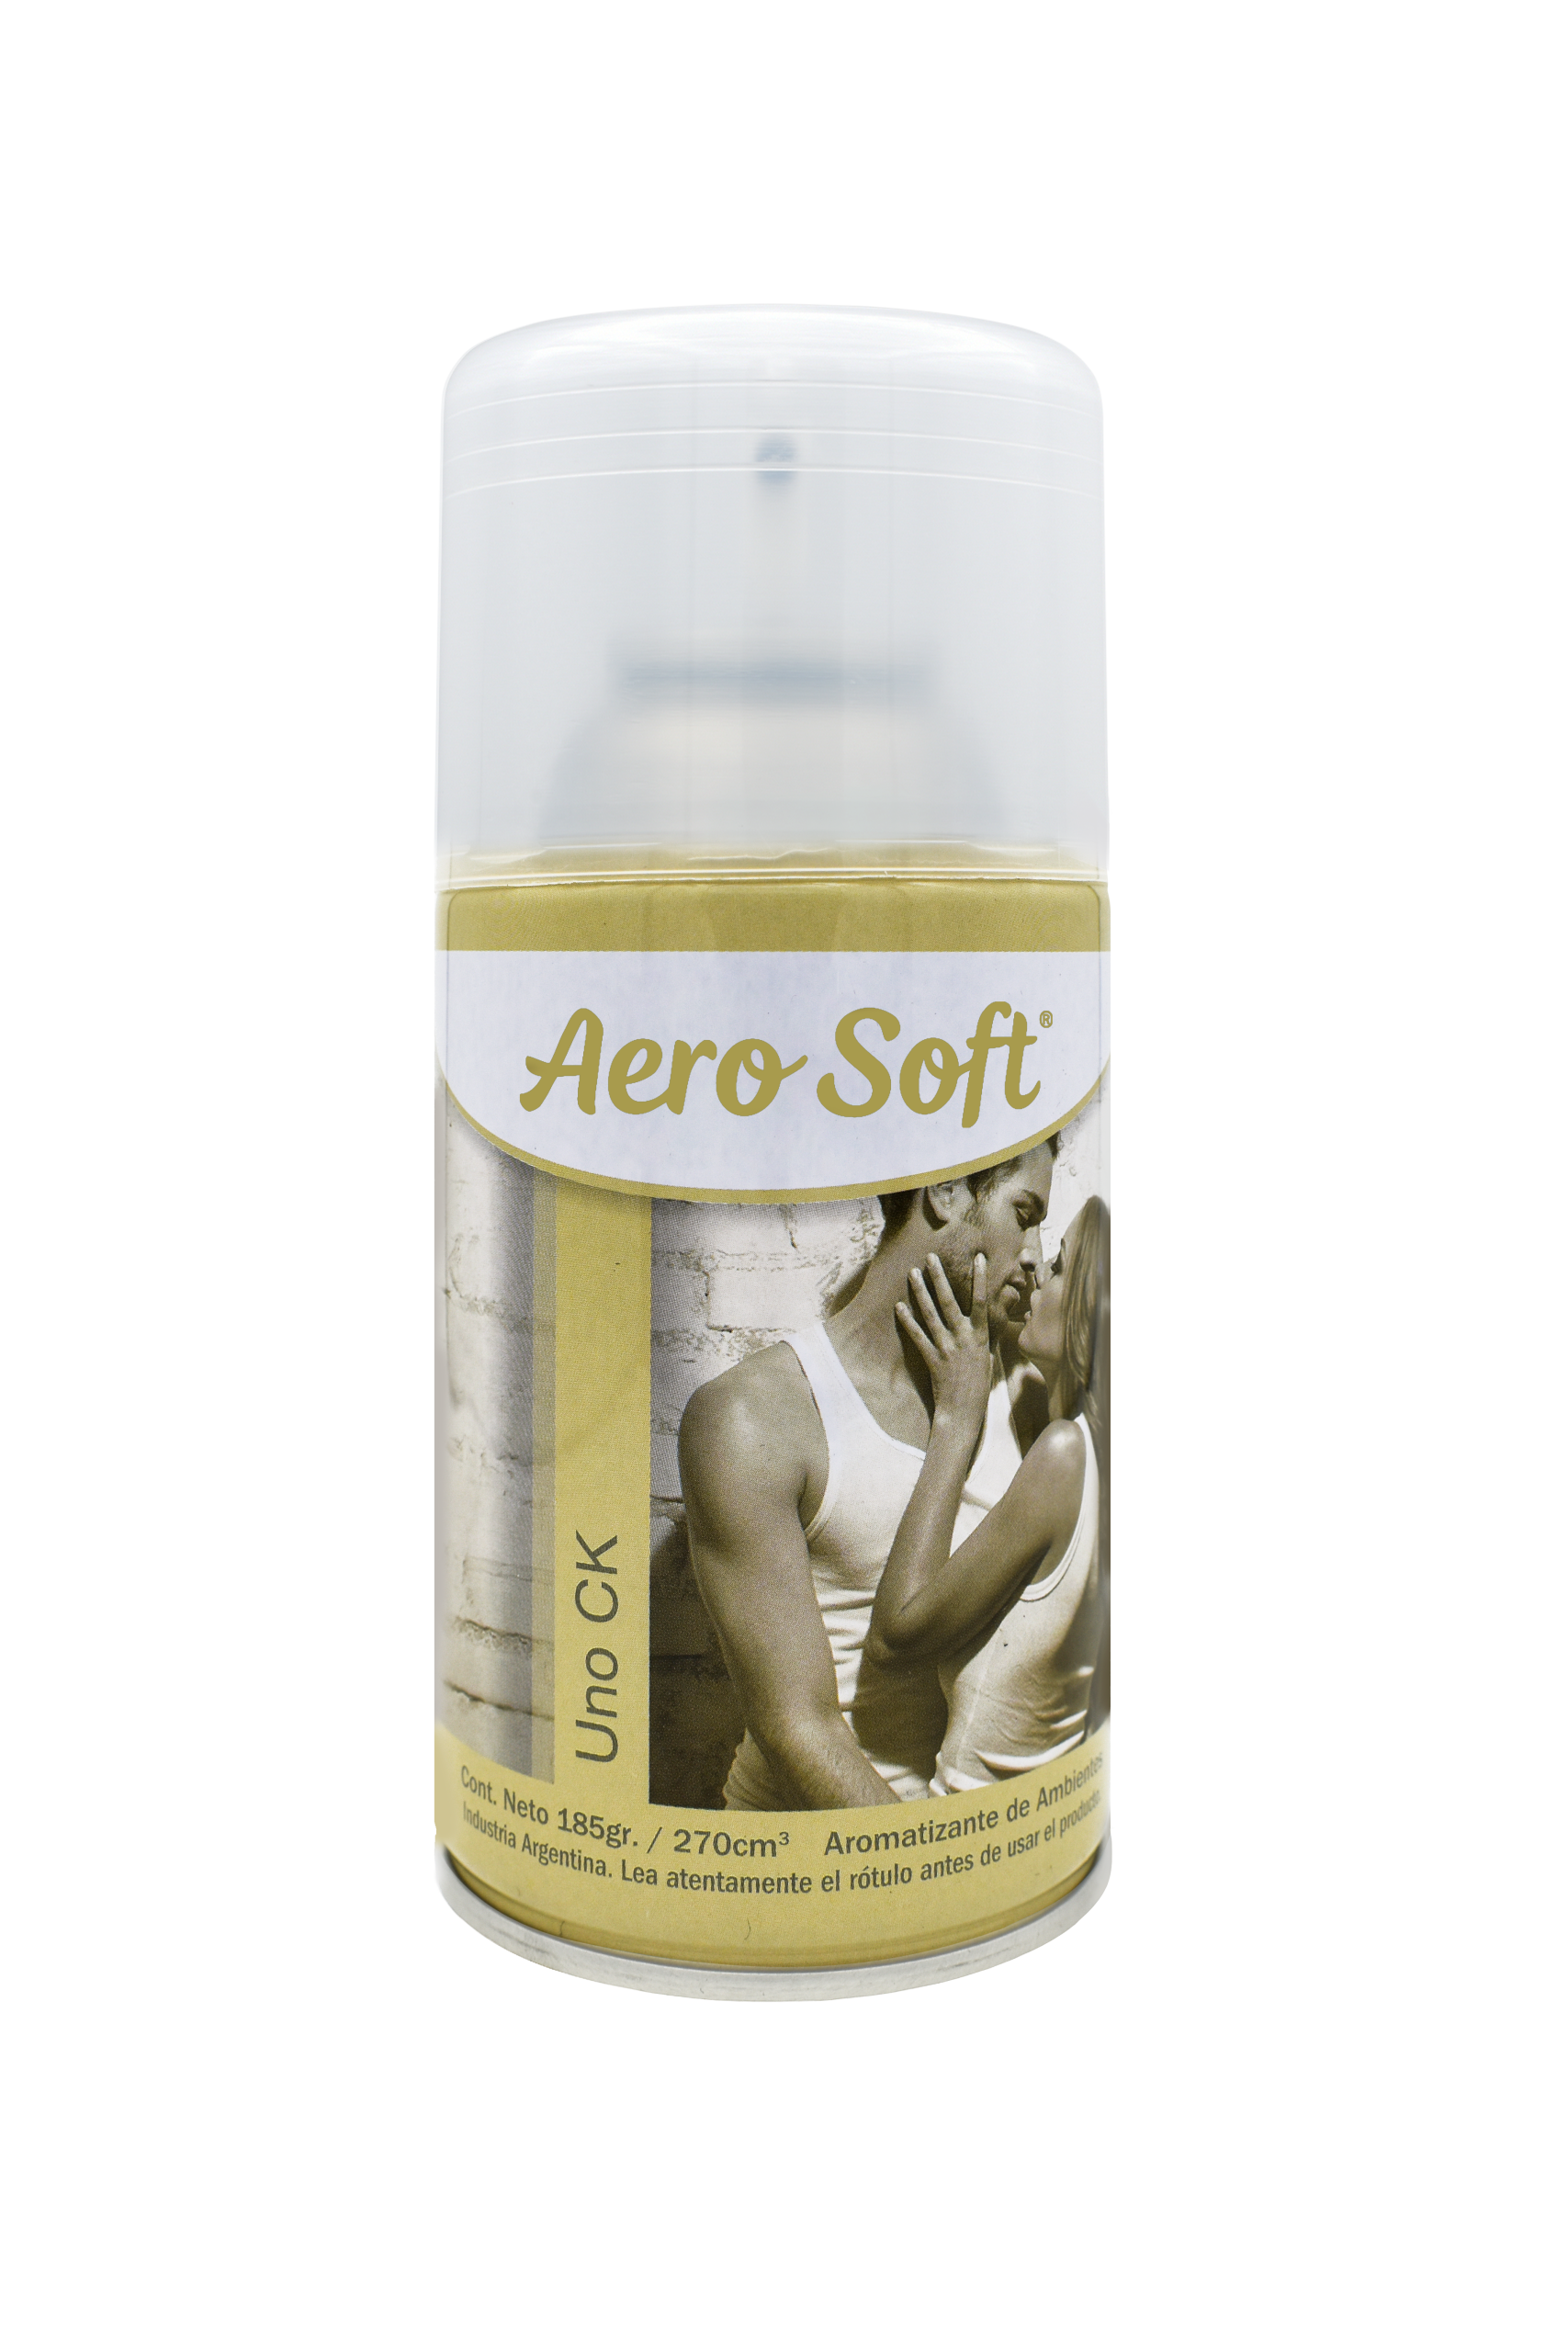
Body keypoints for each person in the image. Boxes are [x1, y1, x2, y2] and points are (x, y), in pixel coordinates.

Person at [680, 1148, 1058, 1809]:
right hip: (812, 1839)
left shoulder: (1026, 1390)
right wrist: (929, 1857)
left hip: (964, 1821)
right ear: (945, 1190)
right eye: (1022, 1216)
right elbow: (797, 1730)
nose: (1035, 1256)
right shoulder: (752, 1416)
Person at [863, 1199, 1108, 1792]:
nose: (1036, 1270)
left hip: (973, 1830)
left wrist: (955, 1417)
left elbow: (895, 1640)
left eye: (1058, 1265)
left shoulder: (1064, 1455)